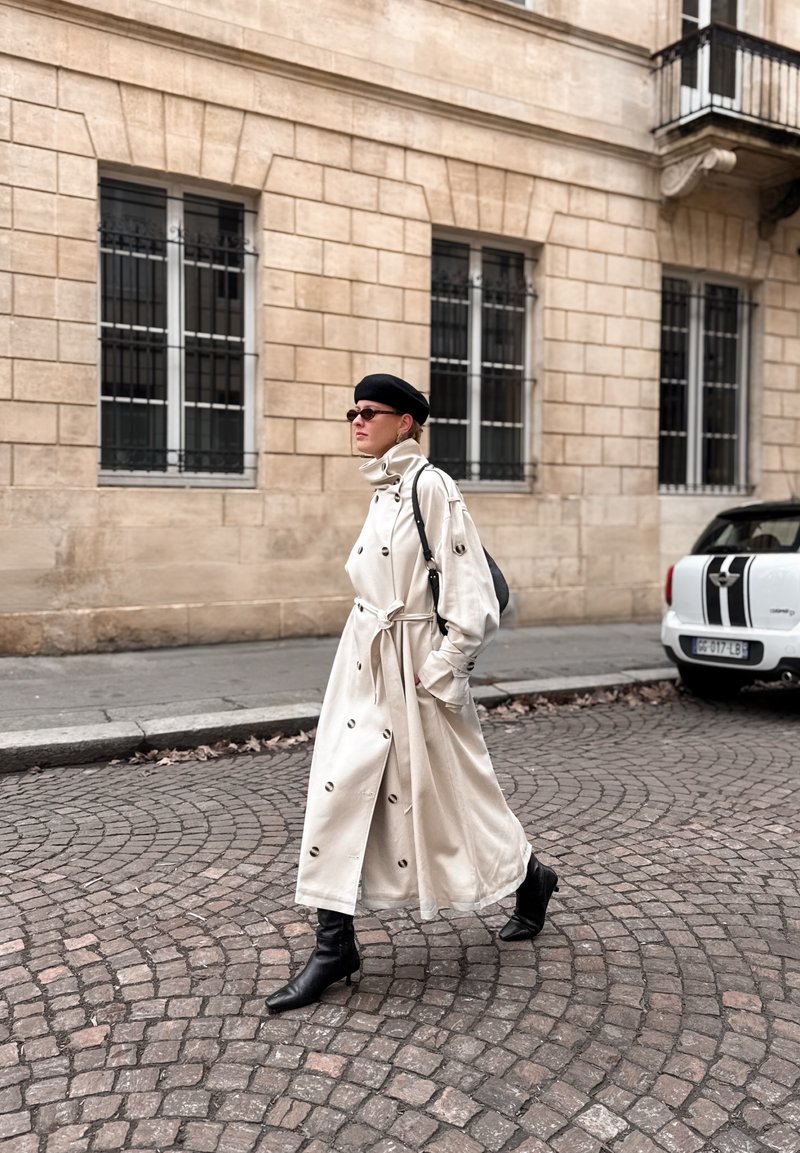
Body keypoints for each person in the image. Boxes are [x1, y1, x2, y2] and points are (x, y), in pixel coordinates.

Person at [266, 373, 558, 1014]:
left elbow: (473, 598)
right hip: (367, 666)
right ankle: (334, 943)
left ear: (406, 423)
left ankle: (532, 877)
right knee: (338, 788)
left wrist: (441, 669)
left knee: (458, 797)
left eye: (369, 412)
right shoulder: (384, 490)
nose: (357, 421)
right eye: (352, 411)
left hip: (415, 671)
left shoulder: (431, 486)